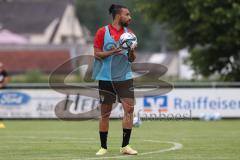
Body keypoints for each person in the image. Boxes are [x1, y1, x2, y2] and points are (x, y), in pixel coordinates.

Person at [92, 4, 137, 156]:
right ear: (118, 16)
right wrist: (112, 52)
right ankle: (103, 147)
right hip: (106, 78)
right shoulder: (102, 32)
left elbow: (131, 59)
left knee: (129, 110)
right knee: (105, 114)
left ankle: (125, 146)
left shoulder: (129, 34)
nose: (130, 17)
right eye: (127, 14)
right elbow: (97, 54)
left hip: (125, 78)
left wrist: (131, 51)